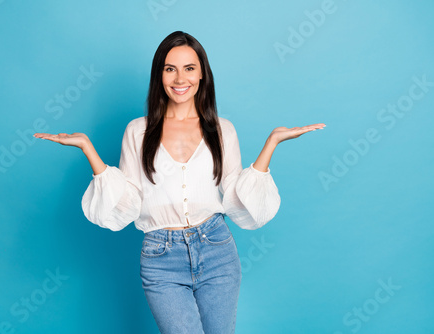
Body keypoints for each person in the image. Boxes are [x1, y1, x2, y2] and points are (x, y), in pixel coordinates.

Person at [34, 31, 325, 334]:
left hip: (217, 249)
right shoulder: (138, 131)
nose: (179, 78)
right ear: (159, 74)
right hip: (161, 257)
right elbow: (129, 200)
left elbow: (236, 194)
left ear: (202, 75)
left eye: (189, 68)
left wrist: (272, 143)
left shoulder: (222, 130)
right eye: (169, 68)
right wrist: (87, 148)